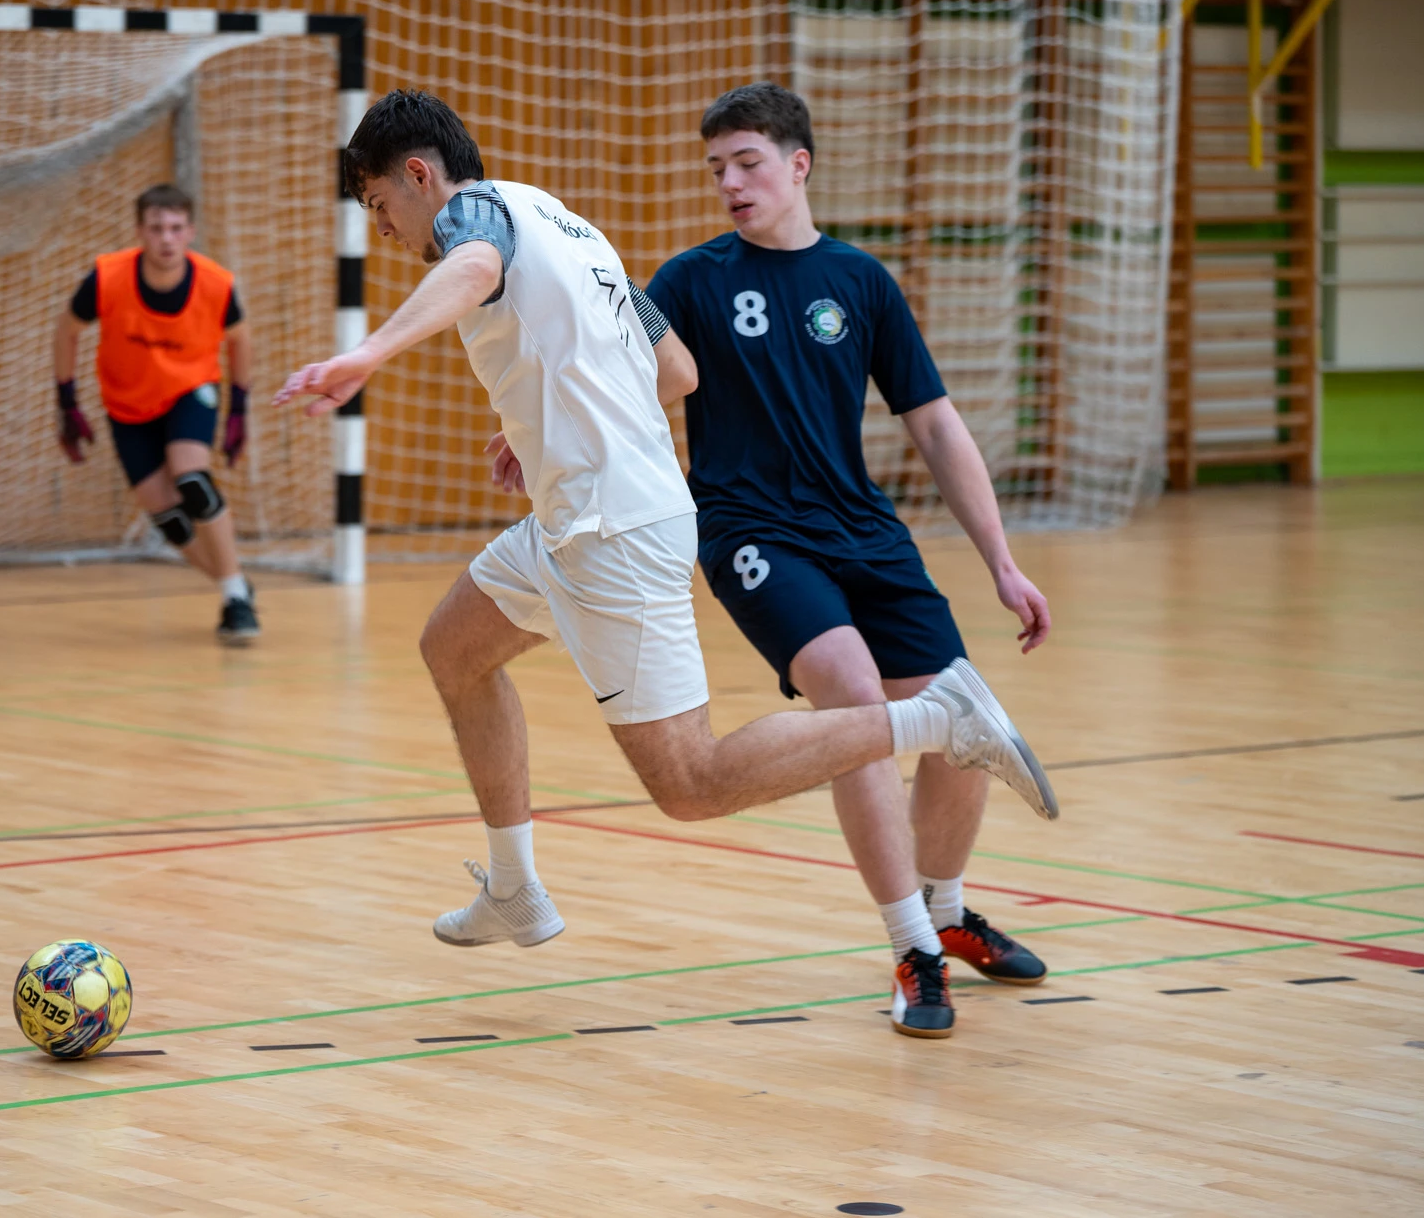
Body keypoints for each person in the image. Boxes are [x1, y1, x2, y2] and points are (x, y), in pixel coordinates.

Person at [274, 91, 1055, 1024]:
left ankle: (936, 718)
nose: (385, 230)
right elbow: (676, 368)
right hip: (575, 516)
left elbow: (472, 264)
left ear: (418, 174)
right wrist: (548, 420)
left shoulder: (471, 219)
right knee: (454, 649)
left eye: (379, 205)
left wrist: (367, 354)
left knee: (692, 783)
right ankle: (514, 886)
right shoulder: (568, 223)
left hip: (612, 531)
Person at [643, 82, 1058, 1039]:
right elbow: (612, 378)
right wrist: (531, 438)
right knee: (857, 702)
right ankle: (912, 948)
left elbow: (936, 425)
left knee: (958, 713)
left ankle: (947, 912)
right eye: (717, 168)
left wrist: (1002, 563)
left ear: (799, 165)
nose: (730, 182)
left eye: (747, 162)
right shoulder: (691, 280)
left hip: (865, 530)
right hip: (752, 532)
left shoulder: (860, 281)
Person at [54, 184, 259, 644]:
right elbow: (66, 330)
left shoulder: (215, 283)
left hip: (191, 390)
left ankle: (234, 600)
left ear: (190, 231)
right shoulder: (107, 277)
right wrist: (66, 401)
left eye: (175, 228)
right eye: (156, 228)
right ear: (139, 232)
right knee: (167, 516)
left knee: (192, 480)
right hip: (128, 403)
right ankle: (235, 584)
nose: (166, 238)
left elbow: (241, 339)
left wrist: (239, 410)